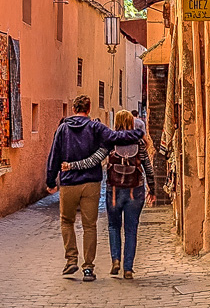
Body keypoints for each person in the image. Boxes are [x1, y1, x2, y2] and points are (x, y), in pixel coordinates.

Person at [45, 94, 142, 282]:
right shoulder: (95, 127)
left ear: (73, 109)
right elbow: (115, 137)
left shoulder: (63, 128)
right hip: (91, 183)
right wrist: (137, 133)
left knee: (67, 222)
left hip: (68, 183)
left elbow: (54, 155)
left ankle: (71, 260)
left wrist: (51, 181)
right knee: (89, 226)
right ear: (89, 109)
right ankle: (88, 268)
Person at [62, 110, 155, 280]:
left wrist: (71, 166)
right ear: (131, 123)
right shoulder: (140, 143)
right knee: (131, 229)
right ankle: (128, 268)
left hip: (114, 190)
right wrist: (153, 189)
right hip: (135, 190)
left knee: (113, 226)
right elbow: (148, 167)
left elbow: (93, 160)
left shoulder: (109, 143)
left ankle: (116, 260)